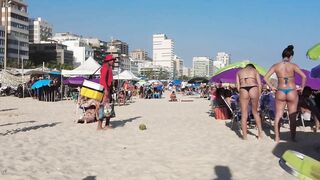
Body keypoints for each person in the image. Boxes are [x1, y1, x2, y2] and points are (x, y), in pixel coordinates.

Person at [264, 45, 306, 142]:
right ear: (291, 56)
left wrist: (272, 87)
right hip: (292, 90)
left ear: (282, 55)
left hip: (280, 90)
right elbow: (304, 77)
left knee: (278, 115)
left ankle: (277, 137)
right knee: (292, 116)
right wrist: (302, 88)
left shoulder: (276, 66)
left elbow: (265, 78)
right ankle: (292, 137)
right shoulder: (293, 66)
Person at [236, 63, 263, 140]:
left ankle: (245, 136)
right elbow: (260, 84)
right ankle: (260, 135)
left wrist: (241, 93)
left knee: (244, 114)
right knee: (255, 112)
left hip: (243, 88)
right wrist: (259, 95)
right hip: (253, 88)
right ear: (252, 67)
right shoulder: (255, 71)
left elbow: (237, 86)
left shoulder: (239, 72)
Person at [98, 54, 116, 130]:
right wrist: (105, 90)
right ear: (108, 61)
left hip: (108, 89)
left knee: (109, 107)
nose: (113, 61)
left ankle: (107, 124)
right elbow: (102, 80)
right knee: (103, 107)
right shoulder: (105, 67)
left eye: (113, 60)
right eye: (112, 60)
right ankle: (99, 126)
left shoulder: (109, 67)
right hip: (105, 90)